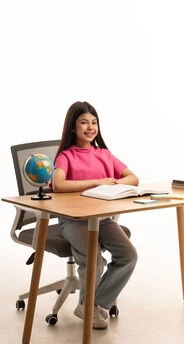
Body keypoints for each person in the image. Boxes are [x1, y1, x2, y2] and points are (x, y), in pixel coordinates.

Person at [52, 101, 138, 329]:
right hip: (73, 220)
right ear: (72, 127)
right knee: (95, 259)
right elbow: (58, 185)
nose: (90, 127)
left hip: (103, 219)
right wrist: (97, 182)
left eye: (94, 122)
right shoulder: (66, 156)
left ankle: (92, 304)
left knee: (128, 255)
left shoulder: (104, 154)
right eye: (83, 122)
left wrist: (115, 183)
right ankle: (88, 304)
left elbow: (133, 178)